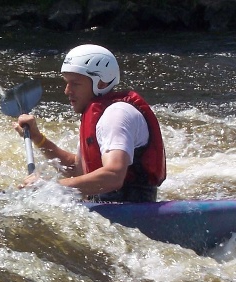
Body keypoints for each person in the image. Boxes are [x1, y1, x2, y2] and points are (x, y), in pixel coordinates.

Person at [14, 44, 166, 202]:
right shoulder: (97, 114)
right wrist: (38, 138)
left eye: (75, 84)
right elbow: (79, 169)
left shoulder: (116, 115)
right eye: (67, 82)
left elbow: (113, 176)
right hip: (106, 207)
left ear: (101, 84)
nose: (67, 91)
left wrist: (52, 187)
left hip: (133, 210)